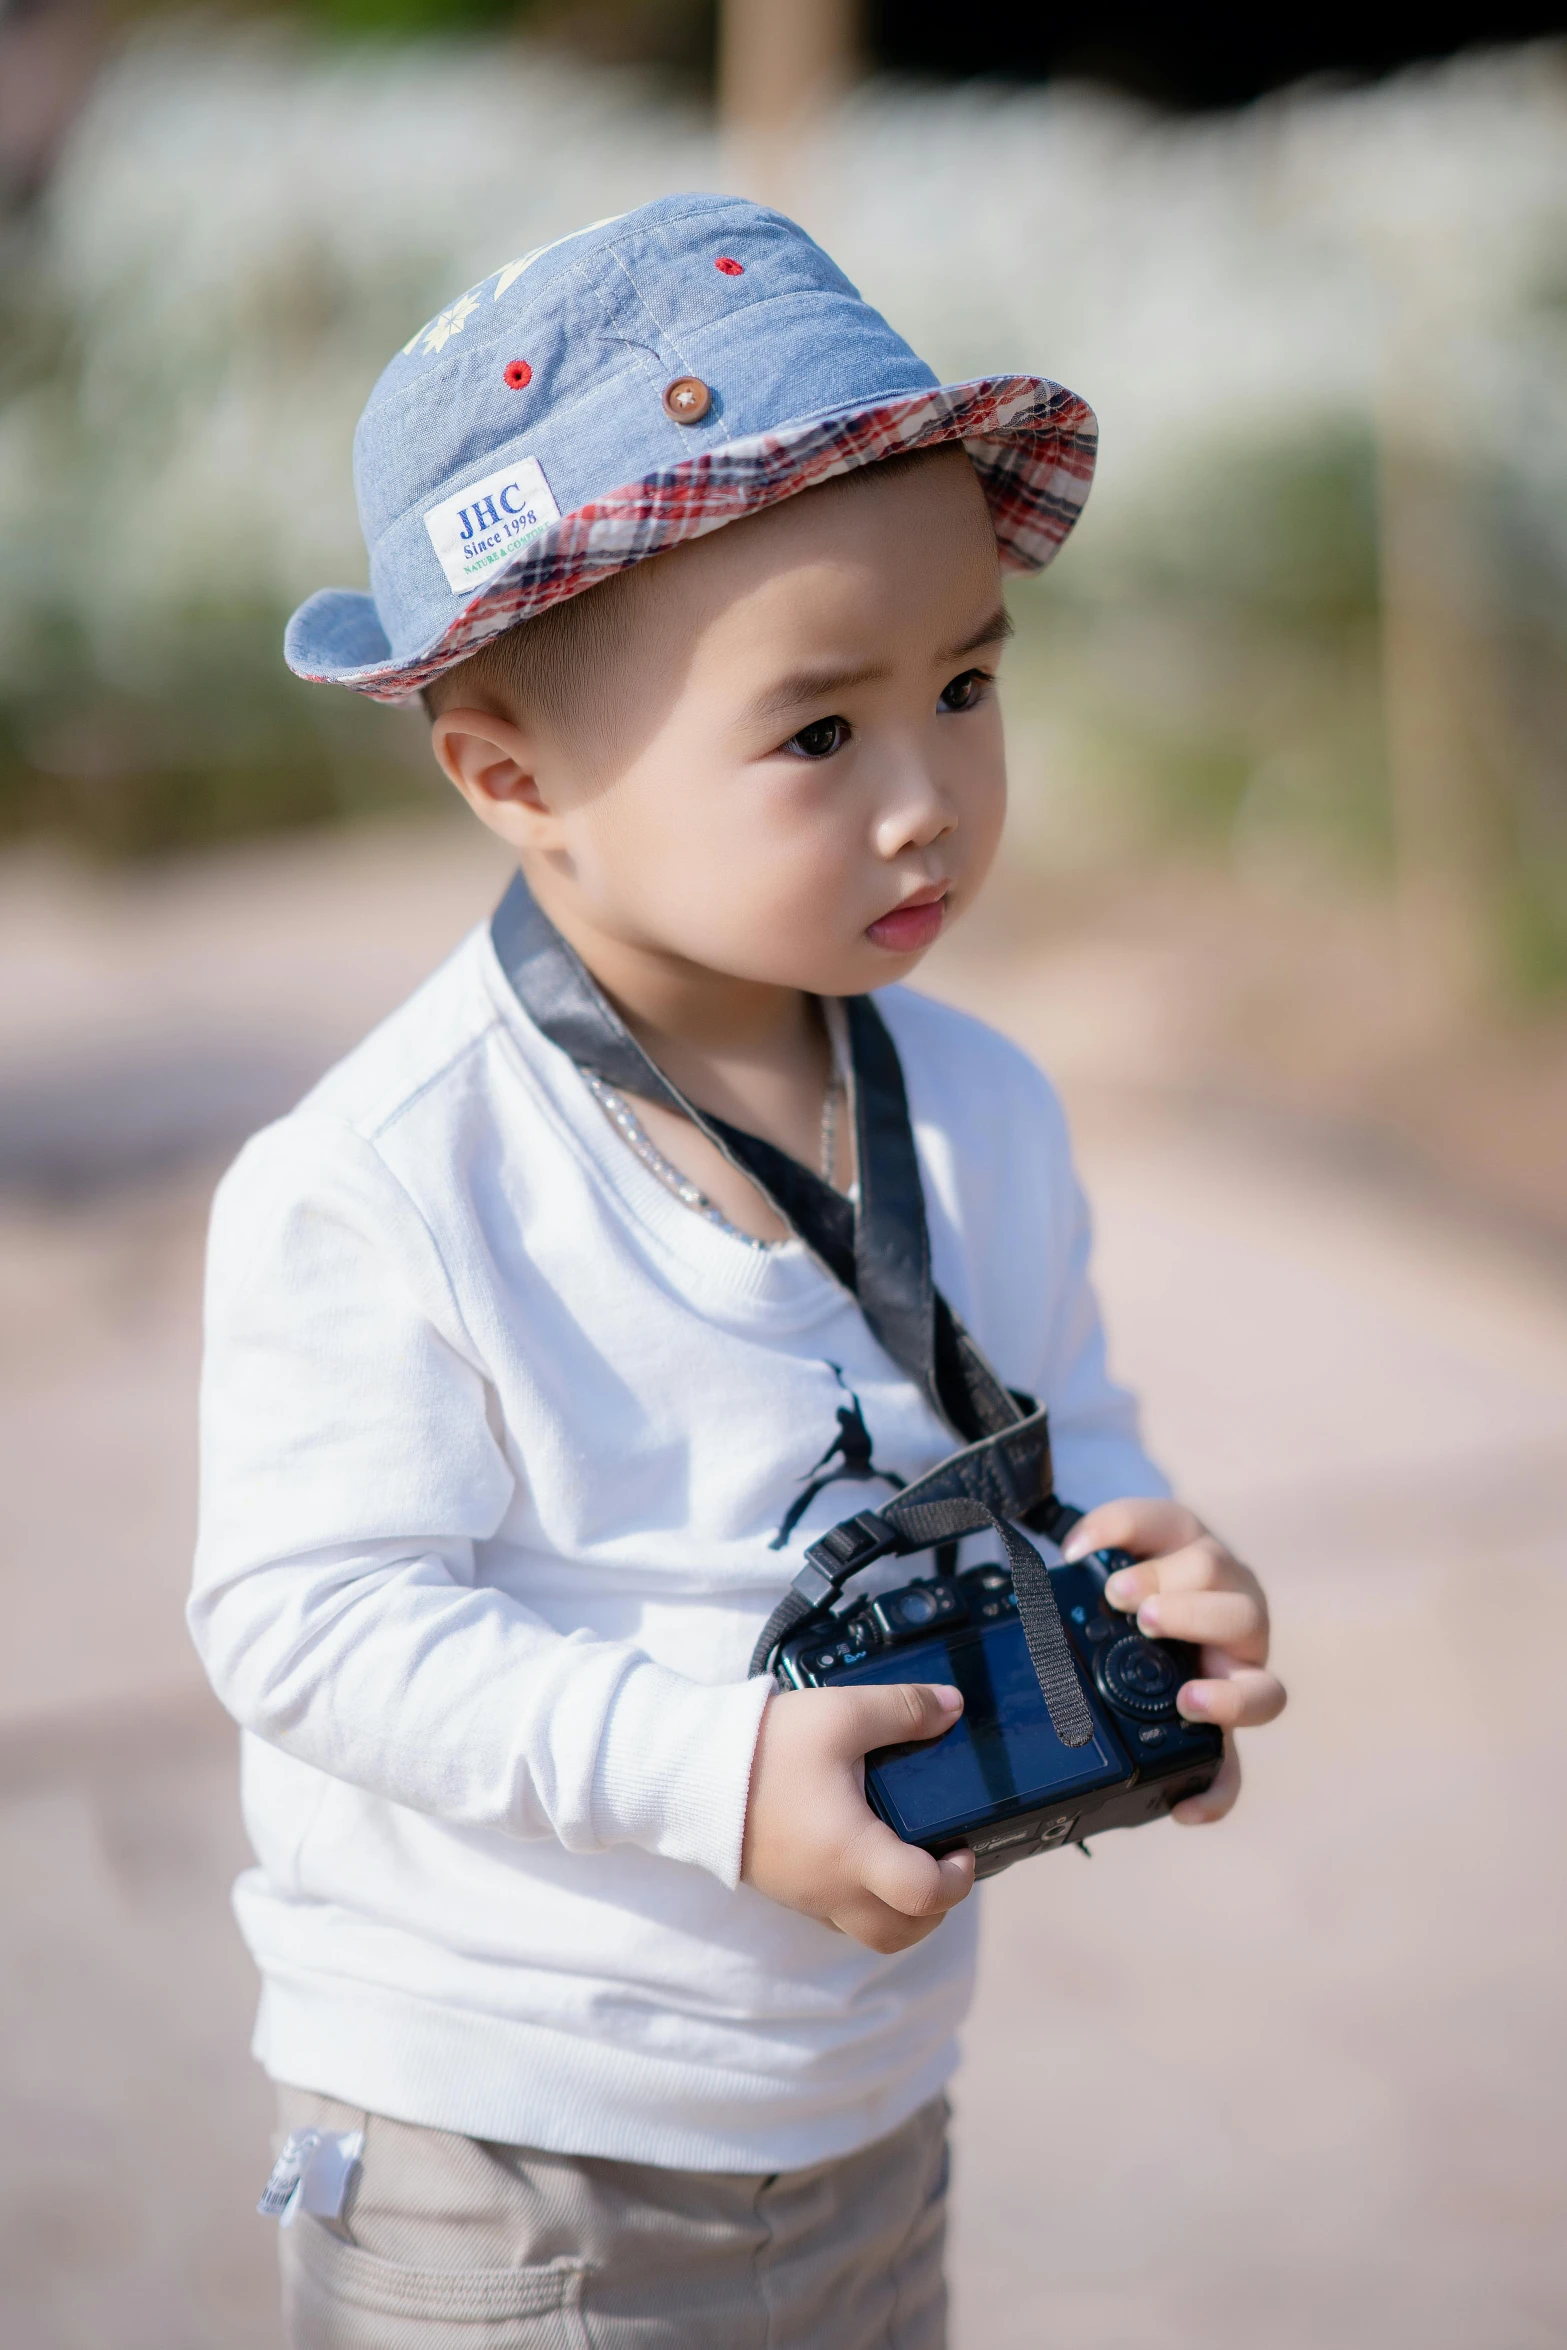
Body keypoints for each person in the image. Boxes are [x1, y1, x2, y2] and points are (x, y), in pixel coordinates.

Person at [189, 192, 1285, 2349]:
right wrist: (711, 1771)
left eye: (966, 685)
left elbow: (1055, 1421)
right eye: (819, 733)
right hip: (506, 2154)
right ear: (515, 772)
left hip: (863, 2094)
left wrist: (1150, 1580)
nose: (930, 803)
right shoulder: (394, 1178)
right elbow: (304, 1618)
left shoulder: (976, 1106)